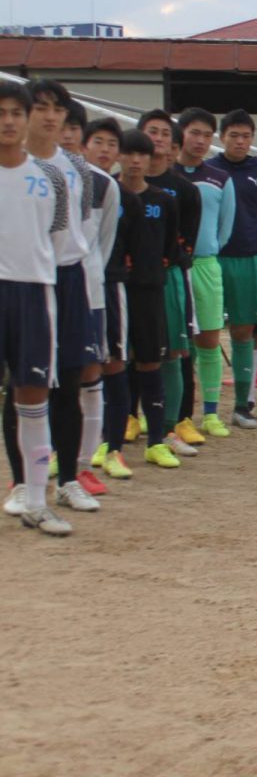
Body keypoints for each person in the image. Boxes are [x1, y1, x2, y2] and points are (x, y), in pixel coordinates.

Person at [4, 81, 98, 517]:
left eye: (54, 109)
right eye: (37, 107)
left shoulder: (73, 170)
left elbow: (71, 234)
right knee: (20, 384)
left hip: (65, 279)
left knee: (67, 380)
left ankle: (68, 481)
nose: (47, 116)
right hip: (26, 281)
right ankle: (23, 483)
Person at [0, 80, 72, 535]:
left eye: (14, 113)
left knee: (33, 395)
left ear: (27, 121)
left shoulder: (52, 178)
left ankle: (36, 500)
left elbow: (60, 245)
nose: (7, 121)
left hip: (34, 293)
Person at [211, 109, 257, 429]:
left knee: (243, 330)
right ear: (221, 136)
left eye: (246, 136)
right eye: (234, 135)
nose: (240, 142)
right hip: (209, 260)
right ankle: (202, 411)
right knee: (203, 334)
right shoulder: (208, 169)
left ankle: (242, 405)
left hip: (249, 259)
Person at [113, 129, 179, 467]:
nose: (136, 160)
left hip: (151, 289)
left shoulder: (163, 200)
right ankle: (114, 439)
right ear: (119, 155)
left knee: (151, 362)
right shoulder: (107, 193)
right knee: (116, 363)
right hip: (115, 291)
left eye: (143, 154)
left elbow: (170, 245)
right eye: (129, 153)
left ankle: (156, 440)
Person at [139, 111, 202, 451]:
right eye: (152, 131)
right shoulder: (119, 186)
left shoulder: (184, 191)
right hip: (130, 282)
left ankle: (169, 427)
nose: (158, 138)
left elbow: (186, 241)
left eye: (165, 133)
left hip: (171, 278)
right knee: (131, 352)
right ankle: (127, 421)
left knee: (175, 352)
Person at [176, 108, 237, 436]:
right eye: (194, 133)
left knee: (209, 339)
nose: (200, 141)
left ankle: (210, 412)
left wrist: (207, 249)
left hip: (205, 265)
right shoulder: (166, 174)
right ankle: (162, 413)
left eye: (206, 135)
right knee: (170, 344)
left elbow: (225, 228)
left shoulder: (219, 178)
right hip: (170, 268)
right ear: (181, 133)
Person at [82, 119, 130, 493]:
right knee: (74, 371)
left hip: (107, 287)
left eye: (110, 144)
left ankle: (112, 448)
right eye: (97, 141)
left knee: (114, 364)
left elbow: (105, 243)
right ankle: (73, 450)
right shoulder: (64, 182)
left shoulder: (111, 187)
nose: (104, 149)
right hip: (65, 289)